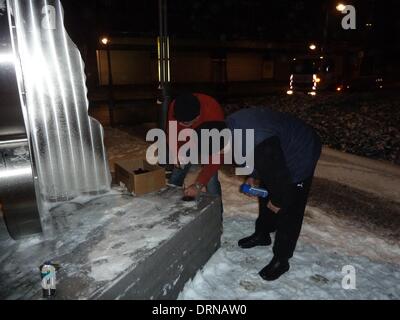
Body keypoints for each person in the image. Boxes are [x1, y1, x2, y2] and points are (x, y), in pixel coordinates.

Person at [226, 107, 322, 281]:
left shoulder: (260, 143)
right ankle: (263, 234)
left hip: (301, 151)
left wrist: (278, 201)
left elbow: (280, 177)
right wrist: (252, 175)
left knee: (290, 207)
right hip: (276, 148)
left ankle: (282, 259)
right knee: (266, 194)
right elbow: (255, 157)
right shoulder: (229, 129)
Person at [167, 93, 225, 202]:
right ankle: (170, 201)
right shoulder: (176, 105)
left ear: (197, 117)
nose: (181, 124)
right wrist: (176, 152)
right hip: (192, 135)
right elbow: (172, 132)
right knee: (179, 168)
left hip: (207, 131)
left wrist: (199, 184)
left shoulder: (213, 115)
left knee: (211, 178)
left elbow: (217, 157)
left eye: (186, 123)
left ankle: (217, 214)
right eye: (180, 121)